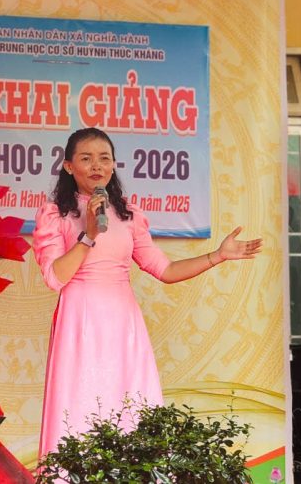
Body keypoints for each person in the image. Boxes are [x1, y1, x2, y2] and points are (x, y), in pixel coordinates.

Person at [33, 128, 262, 458]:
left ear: (114, 165)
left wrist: (218, 256)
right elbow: (55, 277)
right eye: (86, 158)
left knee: (129, 407)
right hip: (79, 320)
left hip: (124, 323)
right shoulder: (55, 214)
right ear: (69, 166)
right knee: (79, 406)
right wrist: (88, 235)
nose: (96, 165)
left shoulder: (129, 215)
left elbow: (165, 270)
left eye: (104, 158)